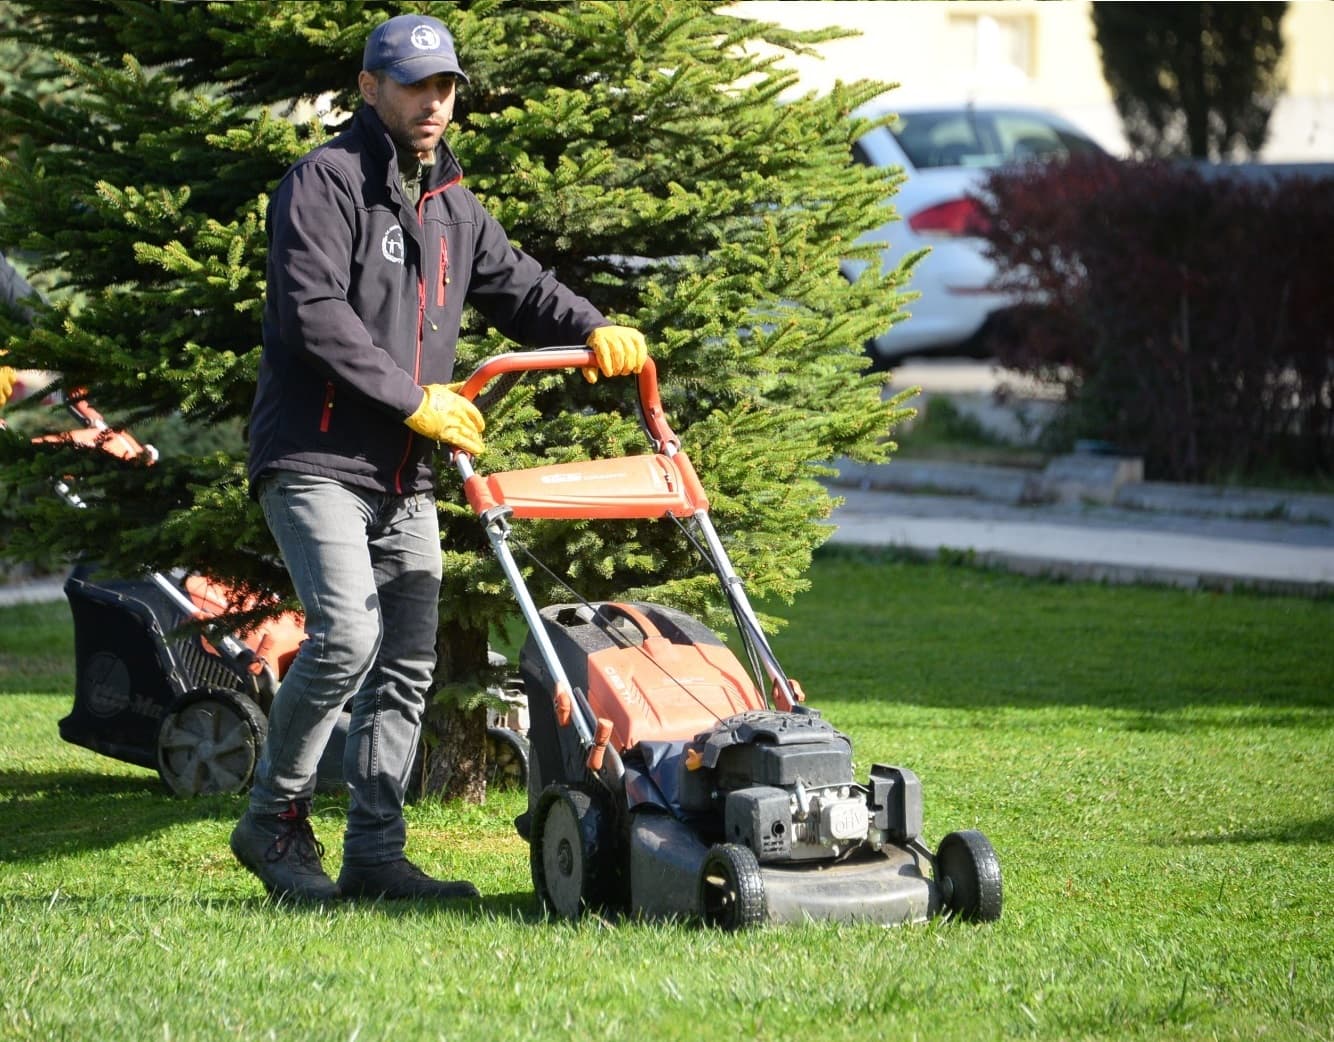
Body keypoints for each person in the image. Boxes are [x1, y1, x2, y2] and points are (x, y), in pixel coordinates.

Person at [233, 12, 648, 903]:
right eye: (415, 84)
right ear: (369, 88)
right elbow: (314, 316)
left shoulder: (451, 205)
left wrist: (593, 325)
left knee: (406, 664)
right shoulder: (326, 183)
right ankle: (272, 819)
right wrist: (414, 398)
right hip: (314, 455)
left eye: (445, 86)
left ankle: (376, 856)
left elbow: (520, 285)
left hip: (402, 472)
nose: (433, 101)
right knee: (346, 635)